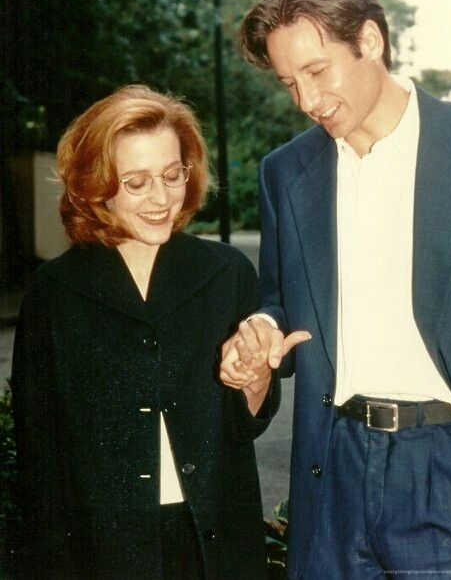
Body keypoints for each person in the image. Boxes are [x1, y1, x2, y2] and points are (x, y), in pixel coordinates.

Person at [220, 0, 451, 578]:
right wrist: (264, 329)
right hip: (332, 470)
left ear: (370, 41)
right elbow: (283, 299)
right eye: (291, 83)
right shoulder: (285, 172)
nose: (309, 101)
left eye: (319, 72)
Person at [11, 85, 277, 579]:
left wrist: (255, 380)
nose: (162, 198)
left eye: (172, 174)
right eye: (136, 183)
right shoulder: (55, 291)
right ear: (96, 185)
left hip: (213, 543)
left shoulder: (227, 273)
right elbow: (40, 455)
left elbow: (248, 425)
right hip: (101, 549)